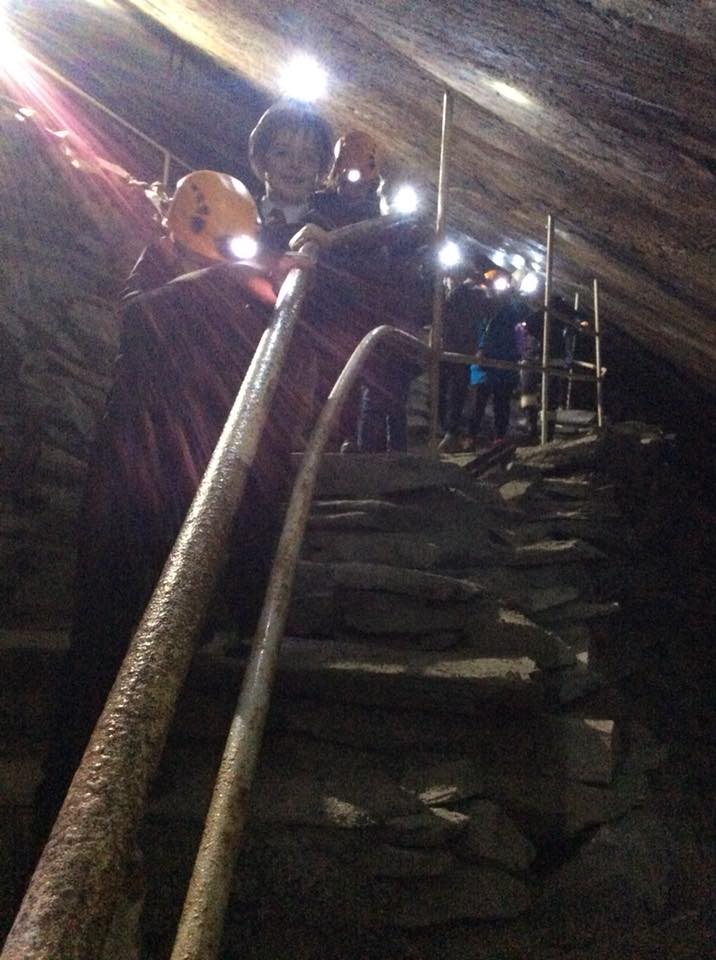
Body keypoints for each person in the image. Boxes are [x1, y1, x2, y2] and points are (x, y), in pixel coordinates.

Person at [35, 170, 302, 843]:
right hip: (130, 507)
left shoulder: (216, 298)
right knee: (102, 649)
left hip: (169, 498)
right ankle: (62, 815)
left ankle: (119, 785)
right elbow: (151, 315)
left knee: (144, 643)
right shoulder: (157, 292)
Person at [468, 268, 525, 444]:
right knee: (480, 401)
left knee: (499, 402)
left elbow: (519, 333)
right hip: (487, 362)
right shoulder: (483, 305)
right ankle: (472, 436)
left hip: (500, 361)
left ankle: (497, 437)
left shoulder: (511, 310)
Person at [438, 270, 489, 453]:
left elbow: (446, 317)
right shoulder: (476, 296)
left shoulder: (461, 294)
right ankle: (450, 431)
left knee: (447, 389)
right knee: (456, 391)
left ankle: (447, 430)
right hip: (462, 350)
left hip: (450, 348)